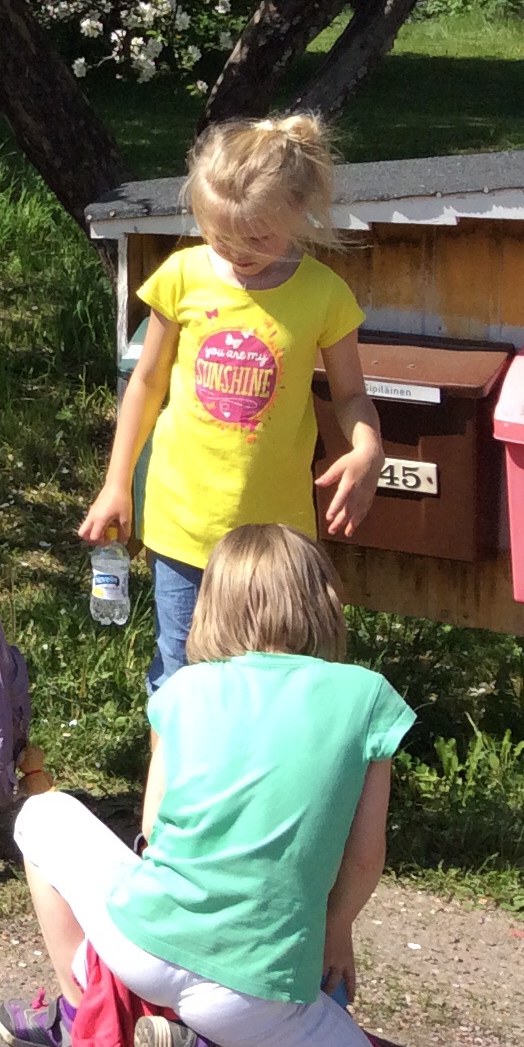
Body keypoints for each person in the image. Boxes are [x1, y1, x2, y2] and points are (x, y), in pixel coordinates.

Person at [0, 525, 410, 1047]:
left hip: (146, 946)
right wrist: (336, 928)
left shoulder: (184, 689)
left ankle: (84, 1017)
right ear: (323, 599)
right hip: (256, 989)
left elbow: (153, 831)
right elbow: (364, 857)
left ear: (213, 604)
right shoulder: (368, 698)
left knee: (42, 816)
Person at [84, 114, 382, 687]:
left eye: (259, 238)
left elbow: (350, 395)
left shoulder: (324, 294)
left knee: (270, 673)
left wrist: (368, 447)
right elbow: (145, 383)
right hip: (182, 522)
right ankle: (171, 753)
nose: (239, 252)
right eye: (221, 236)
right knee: (182, 671)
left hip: (275, 538)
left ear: (299, 211)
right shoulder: (182, 275)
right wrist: (117, 484)